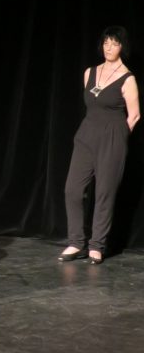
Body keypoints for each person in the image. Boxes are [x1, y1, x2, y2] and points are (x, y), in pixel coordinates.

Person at [59, 25, 140, 265]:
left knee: (104, 193)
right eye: (106, 42)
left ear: (122, 47)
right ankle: (76, 242)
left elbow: (134, 115)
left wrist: (118, 137)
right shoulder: (90, 72)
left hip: (112, 138)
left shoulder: (128, 78)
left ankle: (97, 245)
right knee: (72, 190)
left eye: (114, 43)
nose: (109, 47)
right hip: (86, 135)